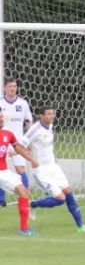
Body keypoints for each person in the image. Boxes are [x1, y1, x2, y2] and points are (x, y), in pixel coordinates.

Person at [21, 106, 85, 233]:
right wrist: (32, 159)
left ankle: (81, 226)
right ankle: (33, 204)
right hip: (41, 171)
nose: (52, 116)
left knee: (68, 192)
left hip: (53, 167)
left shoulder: (49, 126)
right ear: (41, 115)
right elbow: (19, 146)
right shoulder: (35, 129)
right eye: (49, 114)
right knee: (60, 199)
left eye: (53, 114)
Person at [0, 110, 39, 234]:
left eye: (2, 116)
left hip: (3, 171)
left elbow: (18, 148)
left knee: (24, 192)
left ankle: (24, 229)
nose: (1, 119)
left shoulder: (8, 133)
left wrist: (31, 159)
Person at [0, 78, 33, 207]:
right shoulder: (1, 102)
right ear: (5, 88)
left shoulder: (23, 103)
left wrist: (29, 139)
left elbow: (29, 122)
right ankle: (1, 200)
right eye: (10, 86)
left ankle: (25, 197)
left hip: (16, 142)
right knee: (2, 170)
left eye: (14, 86)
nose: (12, 88)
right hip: (2, 140)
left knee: (20, 169)